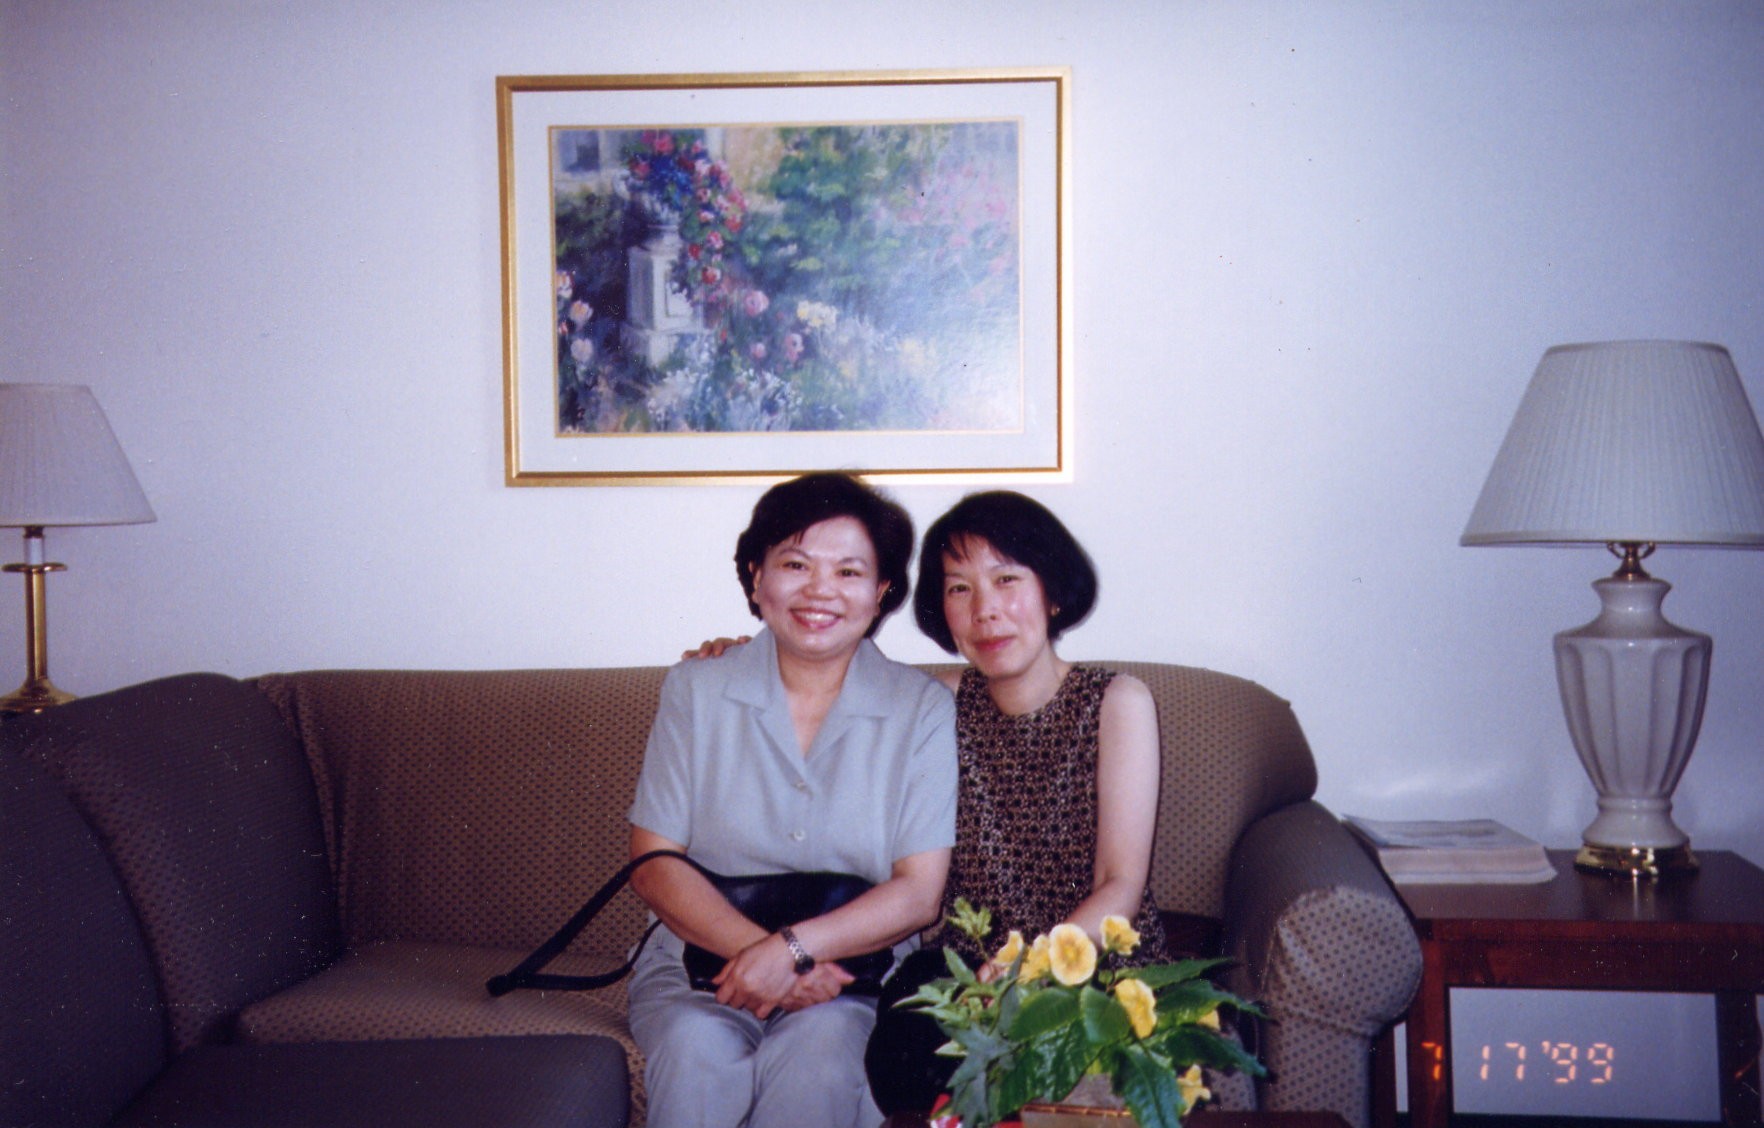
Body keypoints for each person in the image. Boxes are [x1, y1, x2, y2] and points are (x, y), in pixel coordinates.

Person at [686, 490, 1168, 1120]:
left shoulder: (1116, 702)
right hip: (962, 969)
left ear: (1052, 591)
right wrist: (742, 657)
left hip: (1090, 962)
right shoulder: (933, 701)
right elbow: (825, 676)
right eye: (959, 588)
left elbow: (1120, 883)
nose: (985, 610)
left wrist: (1033, 969)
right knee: (900, 1065)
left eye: (1006, 580)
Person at [627, 472, 958, 1128]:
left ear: (881, 591)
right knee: (695, 1048)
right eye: (796, 564)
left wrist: (789, 954)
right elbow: (653, 861)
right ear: (757, 578)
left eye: (848, 571)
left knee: (824, 1055)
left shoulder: (921, 708)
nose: (820, 590)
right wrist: (763, 957)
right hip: (698, 969)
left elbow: (919, 894)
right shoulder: (696, 689)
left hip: (851, 978)